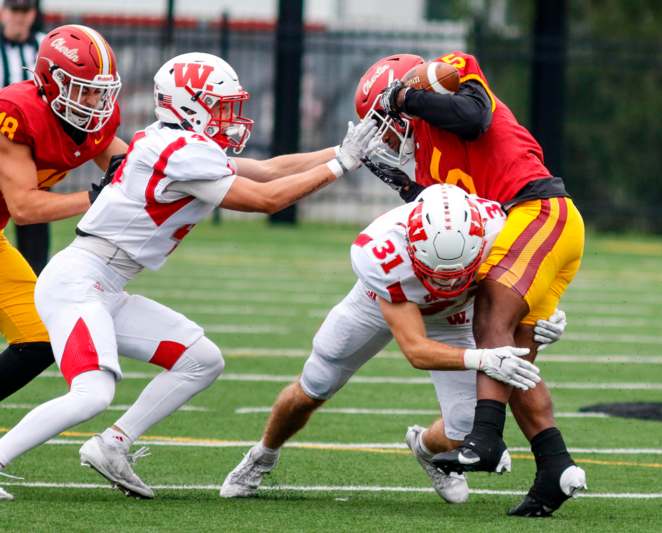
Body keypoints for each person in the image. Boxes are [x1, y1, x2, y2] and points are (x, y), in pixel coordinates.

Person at [0, 51, 380, 501]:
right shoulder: (179, 152)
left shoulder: (177, 143)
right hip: (78, 282)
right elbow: (267, 199)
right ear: (187, 103)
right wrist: (342, 166)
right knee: (92, 393)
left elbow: (270, 168)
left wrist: (343, 150)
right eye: (219, 104)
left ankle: (113, 445)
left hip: (104, 284)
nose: (229, 116)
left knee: (201, 359)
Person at [220, 184, 567, 503]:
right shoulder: (382, 252)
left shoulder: (503, 230)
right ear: (413, 246)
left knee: (466, 430)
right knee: (314, 386)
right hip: (380, 303)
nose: (446, 285)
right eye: (436, 275)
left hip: (455, 317)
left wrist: (540, 316)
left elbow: (526, 282)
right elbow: (415, 350)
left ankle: (425, 448)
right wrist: (483, 359)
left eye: (458, 274)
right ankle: (263, 454)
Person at [356, 51, 586, 517]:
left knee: (489, 319)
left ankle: (485, 438)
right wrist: (403, 184)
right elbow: (451, 221)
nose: (391, 131)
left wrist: (404, 95)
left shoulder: (449, 75)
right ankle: (554, 467)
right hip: (527, 234)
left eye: (389, 119)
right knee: (512, 365)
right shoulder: (426, 163)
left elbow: (473, 115)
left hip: (541, 211)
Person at [0, 24, 129, 403]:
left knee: (38, 338)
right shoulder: (17, 112)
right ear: (52, 81)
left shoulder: (86, 123)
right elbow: (25, 207)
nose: (92, 101)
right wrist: (96, 197)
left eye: (99, 91)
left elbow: (127, 164)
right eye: (83, 89)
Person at [1, 0, 49, 276]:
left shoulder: (45, 46)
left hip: (36, 151)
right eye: (14, 9)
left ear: (32, 14)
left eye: (25, 10)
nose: (19, 17)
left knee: (34, 225)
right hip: (1, 148)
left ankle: (37, 285)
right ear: (4, 12)